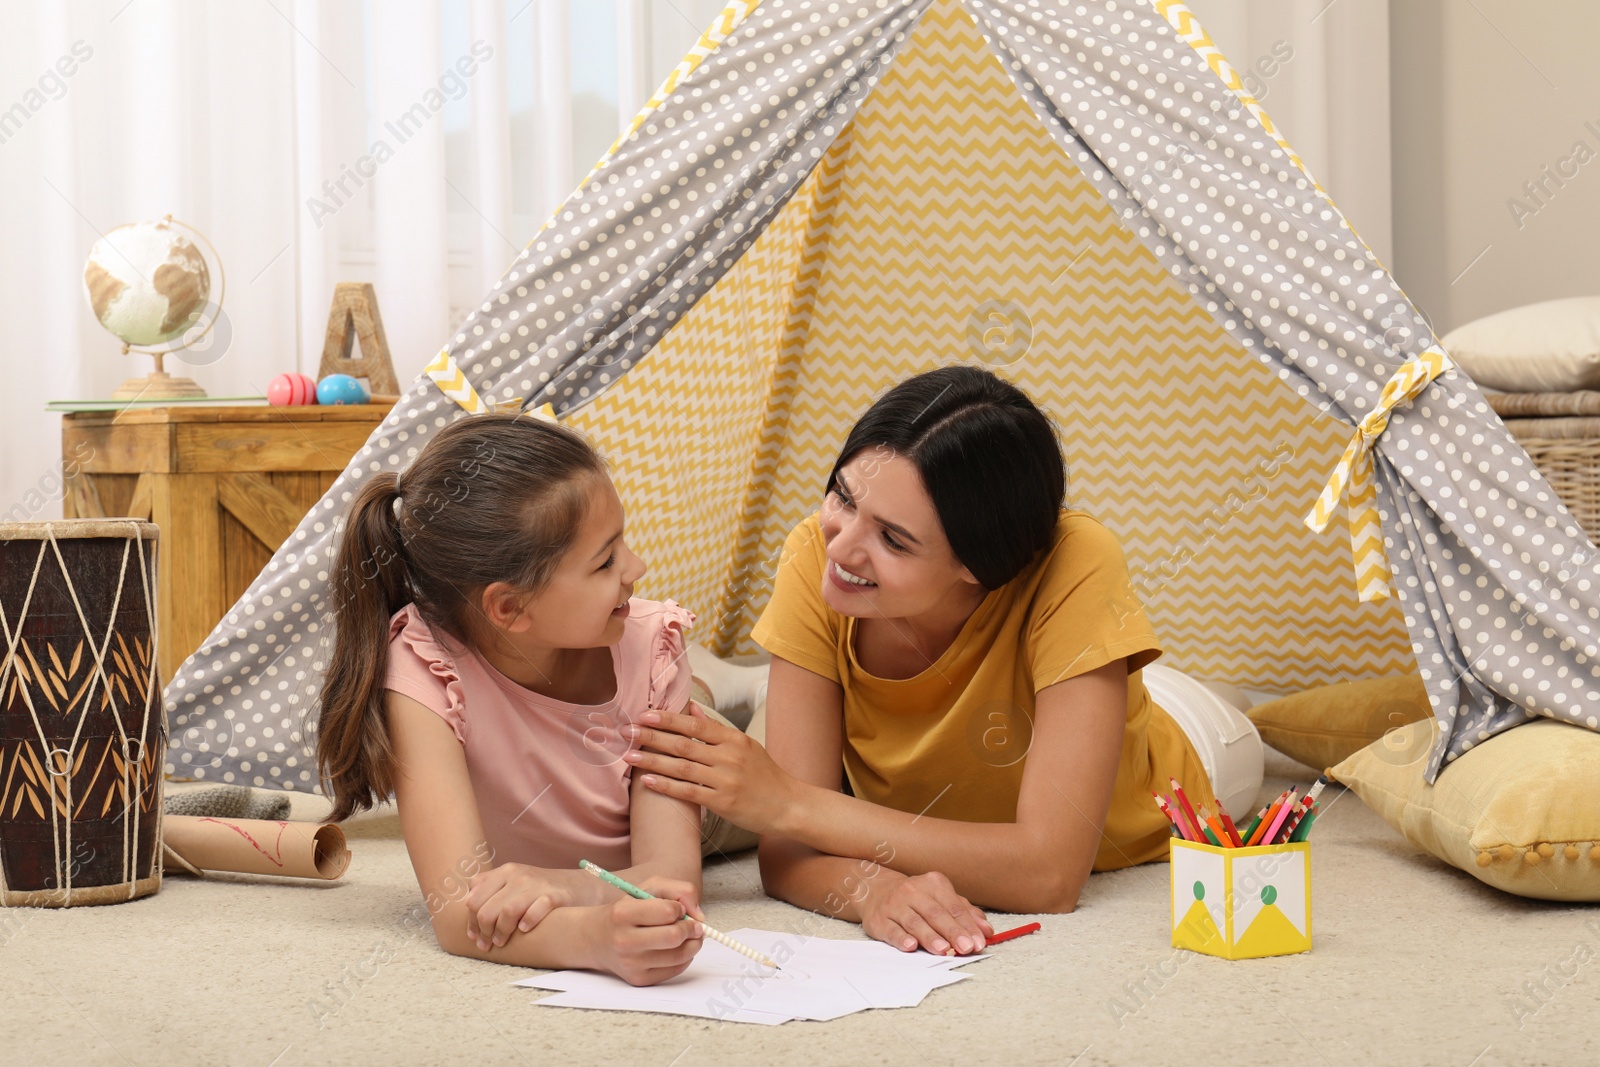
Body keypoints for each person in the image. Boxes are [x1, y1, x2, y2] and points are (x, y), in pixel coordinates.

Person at [620, 366, 1264, 957]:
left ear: (979, 564)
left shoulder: (1077, 560)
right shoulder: (815, 555)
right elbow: (786, 854)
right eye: (843, 497)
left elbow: (1049, 874)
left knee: (1228, 707)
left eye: (893, 539)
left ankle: (1247, 701)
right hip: (1003, 735)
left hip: (1188, 763)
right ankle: (754, 679)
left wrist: (788, 801)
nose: (842, 546)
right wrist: (869, 889)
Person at [316, 413, 715, 986]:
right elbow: (457, 915)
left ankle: (729, 687)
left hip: (715, 791)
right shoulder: (422, 669)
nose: (636, 567)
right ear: (509, 608)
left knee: (740, 767)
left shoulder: (653, 648)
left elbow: (674, 873)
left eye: (622, 542)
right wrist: (594, 939)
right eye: (605, 561)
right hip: (632, 763)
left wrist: (567, 886)